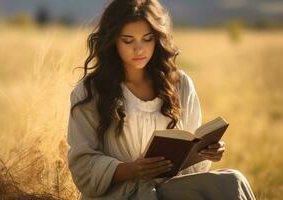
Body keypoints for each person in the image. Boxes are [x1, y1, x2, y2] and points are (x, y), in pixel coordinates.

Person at [67, 0, 256, 199]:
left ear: (158, 39)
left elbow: (193, 163)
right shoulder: (91, 90)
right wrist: (131, 169)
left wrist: (206, 152)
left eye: (147, 39)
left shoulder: (179, 84)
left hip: (168, 189)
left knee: (234, 179)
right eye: (128, 40)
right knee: (229, 182)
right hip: (120, 194)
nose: (139, 49)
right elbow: (82, 163)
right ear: (113, 40)